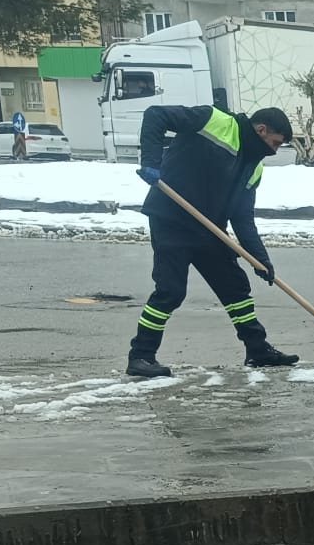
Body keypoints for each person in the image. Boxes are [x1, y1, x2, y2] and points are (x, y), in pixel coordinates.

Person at [125, 103, 300, 378]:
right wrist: (150, 162)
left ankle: (257, 350)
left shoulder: (253, 167)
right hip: (171, 219)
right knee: (170, 291)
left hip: (209, 229)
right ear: (261, 130)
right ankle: (141, 356)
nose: (275, 150)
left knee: (235, 288)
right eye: (275, 143)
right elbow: (155, 115)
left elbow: (242, 217)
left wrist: (260, 259)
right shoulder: (213, 120)